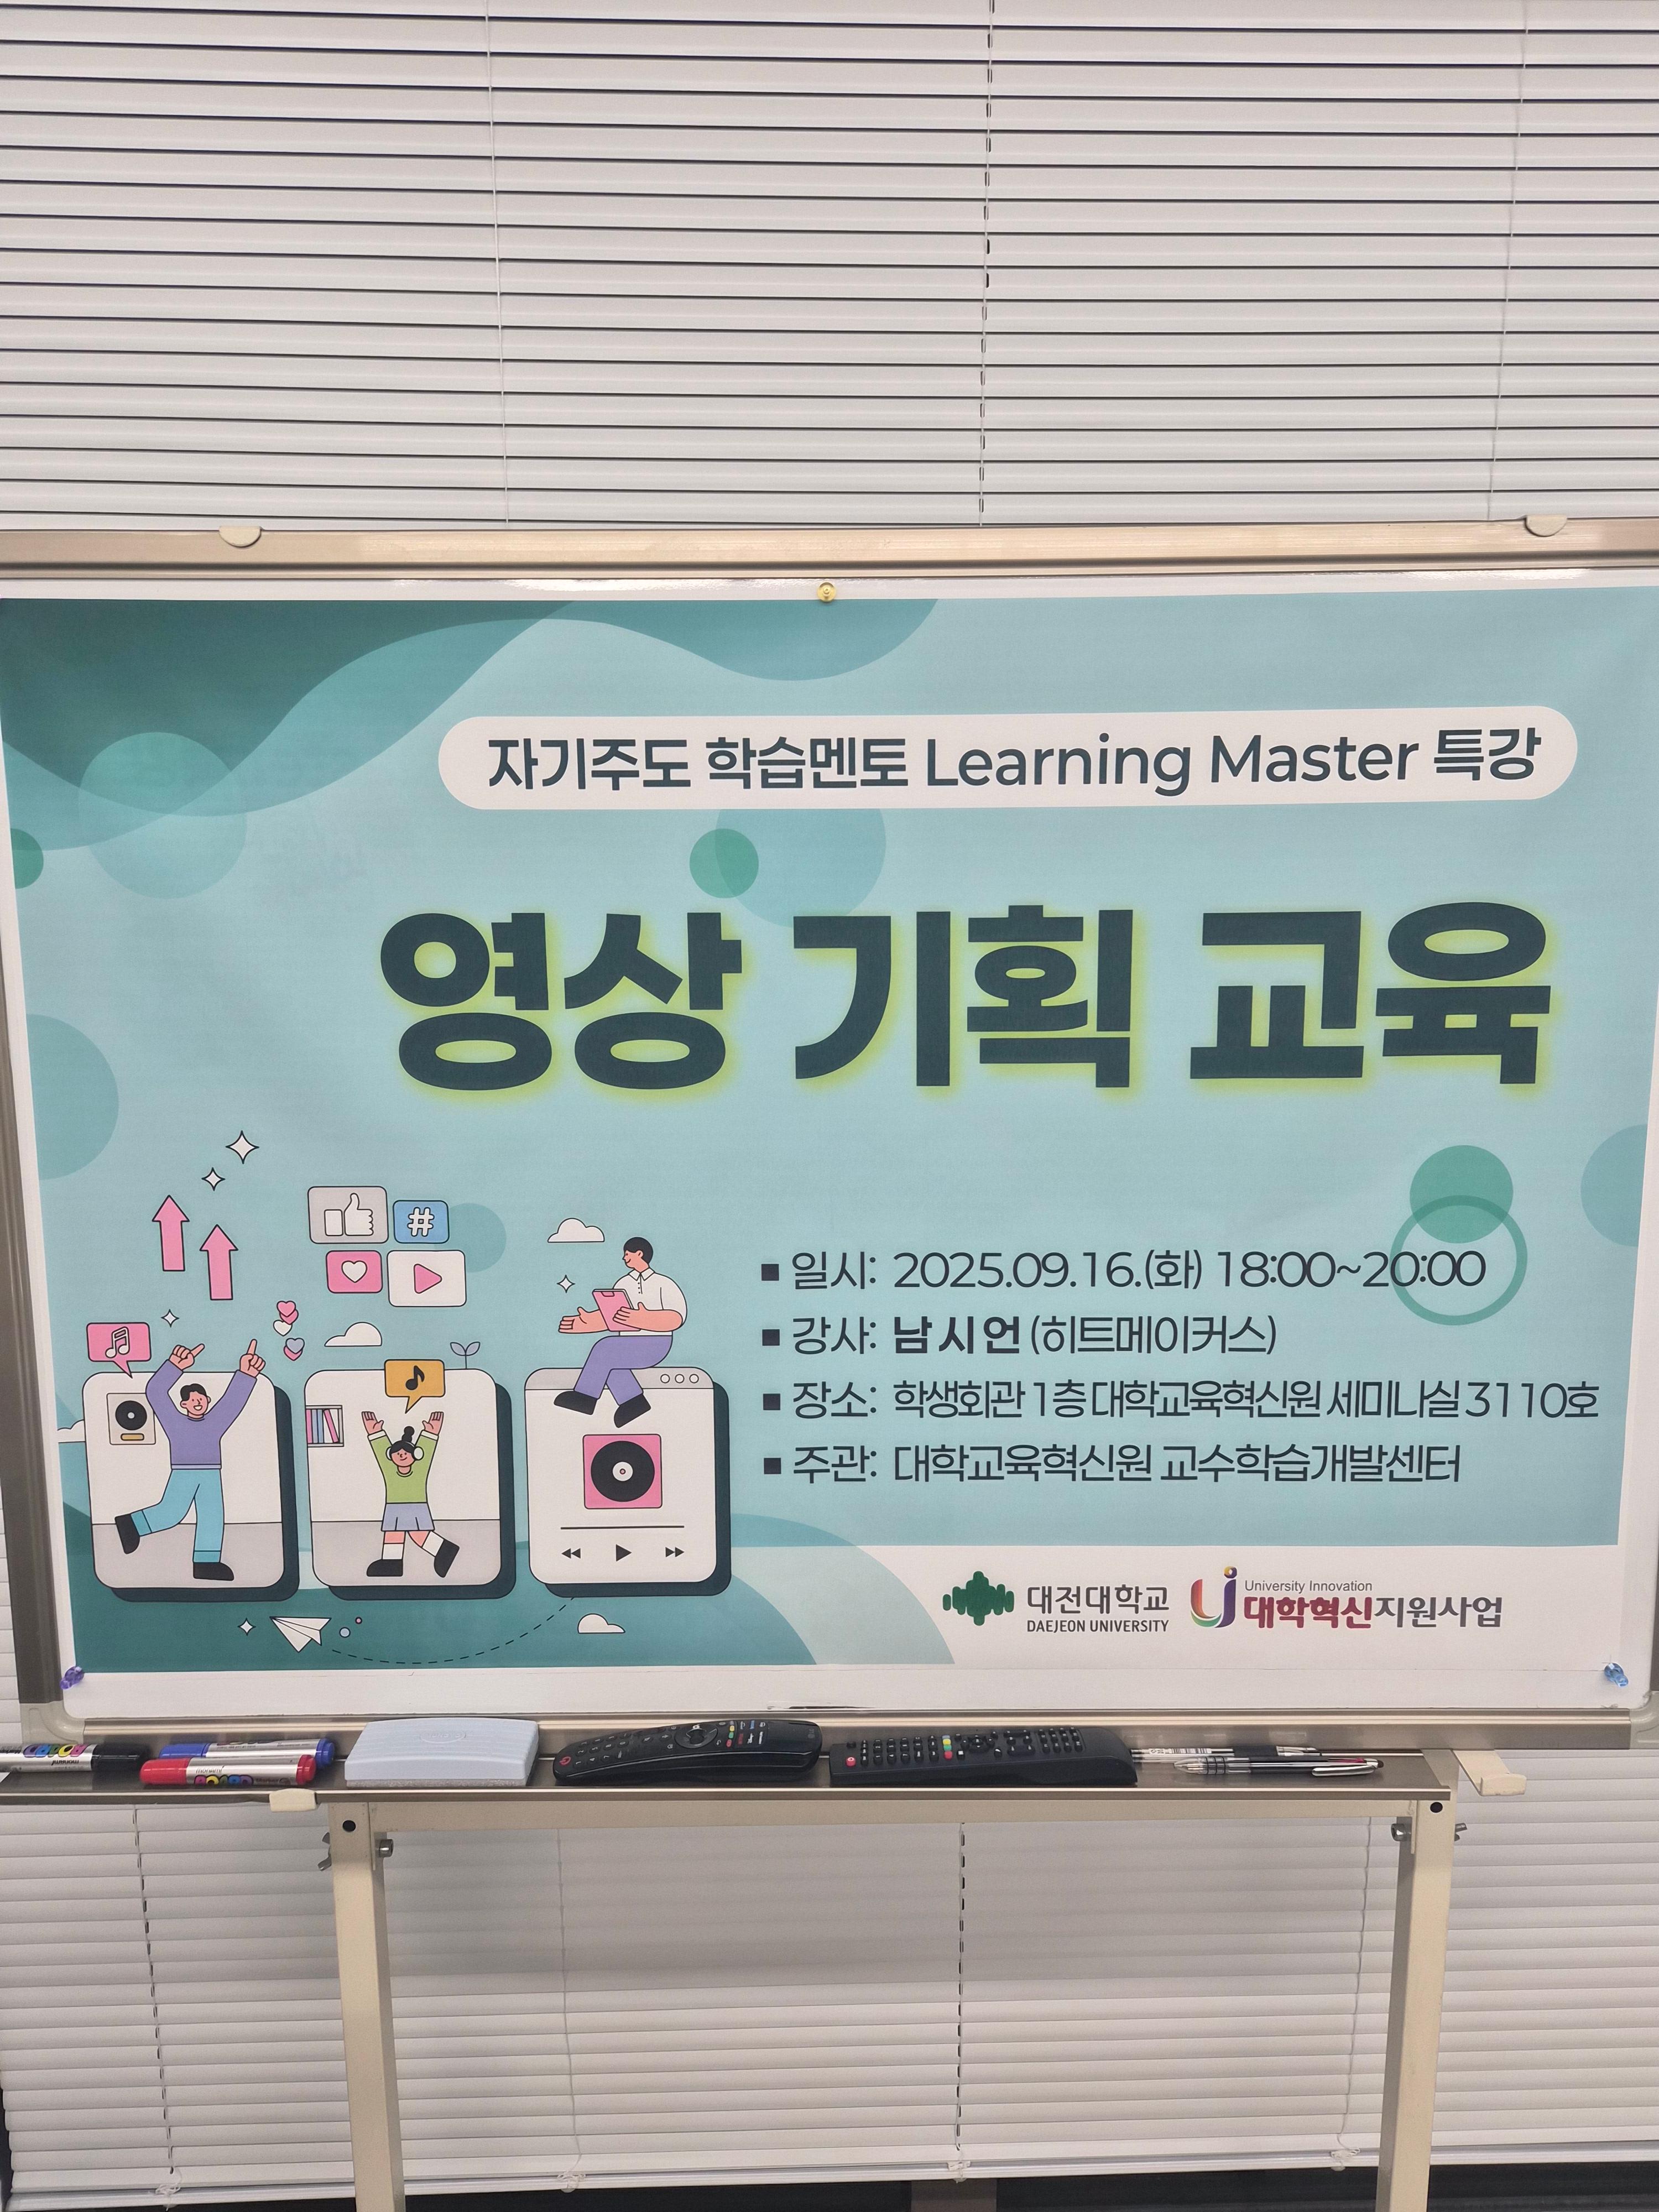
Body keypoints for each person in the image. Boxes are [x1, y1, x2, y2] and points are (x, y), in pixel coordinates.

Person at [114, 1339, 264, 1581]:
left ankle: (206, 1563)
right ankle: (132, 1524)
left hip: (211, 1473)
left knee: (212, 1516)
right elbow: (155, 1392)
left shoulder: (215, 1423)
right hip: (184, 1472)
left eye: (202, 1398)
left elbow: (232, 1403)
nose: (198, 1402)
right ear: (183, 1404)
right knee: (172, 1512)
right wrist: (175, 1366)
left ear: (208, 1401)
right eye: (193, 1400)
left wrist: (246, 1375)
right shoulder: (175, 1422)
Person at [556, 1235, 686, 1429]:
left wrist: (644, 1318)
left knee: (605, 1348)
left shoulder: (663, 1283)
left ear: (639, 1254)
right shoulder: (623, 1284)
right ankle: (633, 1402)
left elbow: (677, 1318)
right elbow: (614, 1318)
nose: (625, 1258)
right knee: (611, 1362)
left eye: (627, 1254)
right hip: (627, 1344)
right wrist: (587, 1322)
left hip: (657, 1343)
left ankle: (585, 1398)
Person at [359, 1407, 458, 1578]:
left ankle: (444, 1549)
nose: (402, 1456)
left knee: (418, 1534)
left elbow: (427, 1453)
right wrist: (376, 1434)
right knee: (394, 1534)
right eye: (397, 1454)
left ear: (415, 1456)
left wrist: (430, 1434)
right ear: (392, 1457)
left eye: (405, 1453)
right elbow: (381, 1454)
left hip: (416, 1506)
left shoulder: (419, 1469)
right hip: (394, 1507)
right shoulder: (390, 1470)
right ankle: (392, 1564)